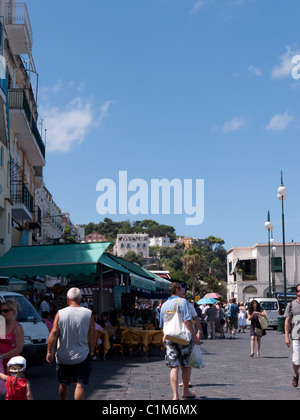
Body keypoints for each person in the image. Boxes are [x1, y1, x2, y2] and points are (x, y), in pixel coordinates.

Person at [46, 287, 96, 400]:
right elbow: (92, 334)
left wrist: (49, 351)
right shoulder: (88, 313)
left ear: (68, 299)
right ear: (80, 299)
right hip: (82, 355)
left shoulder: (60, 313)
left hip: (63, 355)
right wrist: (92, 350)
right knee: (79, 384)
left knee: (63, 383)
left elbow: (54, 333)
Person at [160, 282, 200, 400]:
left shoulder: (164, 305)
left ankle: (174, 396)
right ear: (177, 290)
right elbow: (187, 321)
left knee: (174, 366)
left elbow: (163, 324)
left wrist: (164, 335)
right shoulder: (182, 302)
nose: (183, 291)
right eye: (182, 288)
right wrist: (194, 335)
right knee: (186, 365)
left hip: (170, 337)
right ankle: (185, 391)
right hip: (183, 338)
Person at [0, 299, 24, 374]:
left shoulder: (17, 327)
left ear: (13, 312)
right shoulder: (2, 325)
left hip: (12, 363)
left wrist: (2, 356)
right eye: (1, 311)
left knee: (11, 384)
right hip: (1, 362)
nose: (2, 313)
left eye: (5, 311)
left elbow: (18, 349)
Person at [285, 284, 300, 387]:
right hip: (296, 336)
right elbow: (287, 321)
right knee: (296, 360)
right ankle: (296, 374)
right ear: (297, 292)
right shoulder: (291, 305)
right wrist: (286, 336)